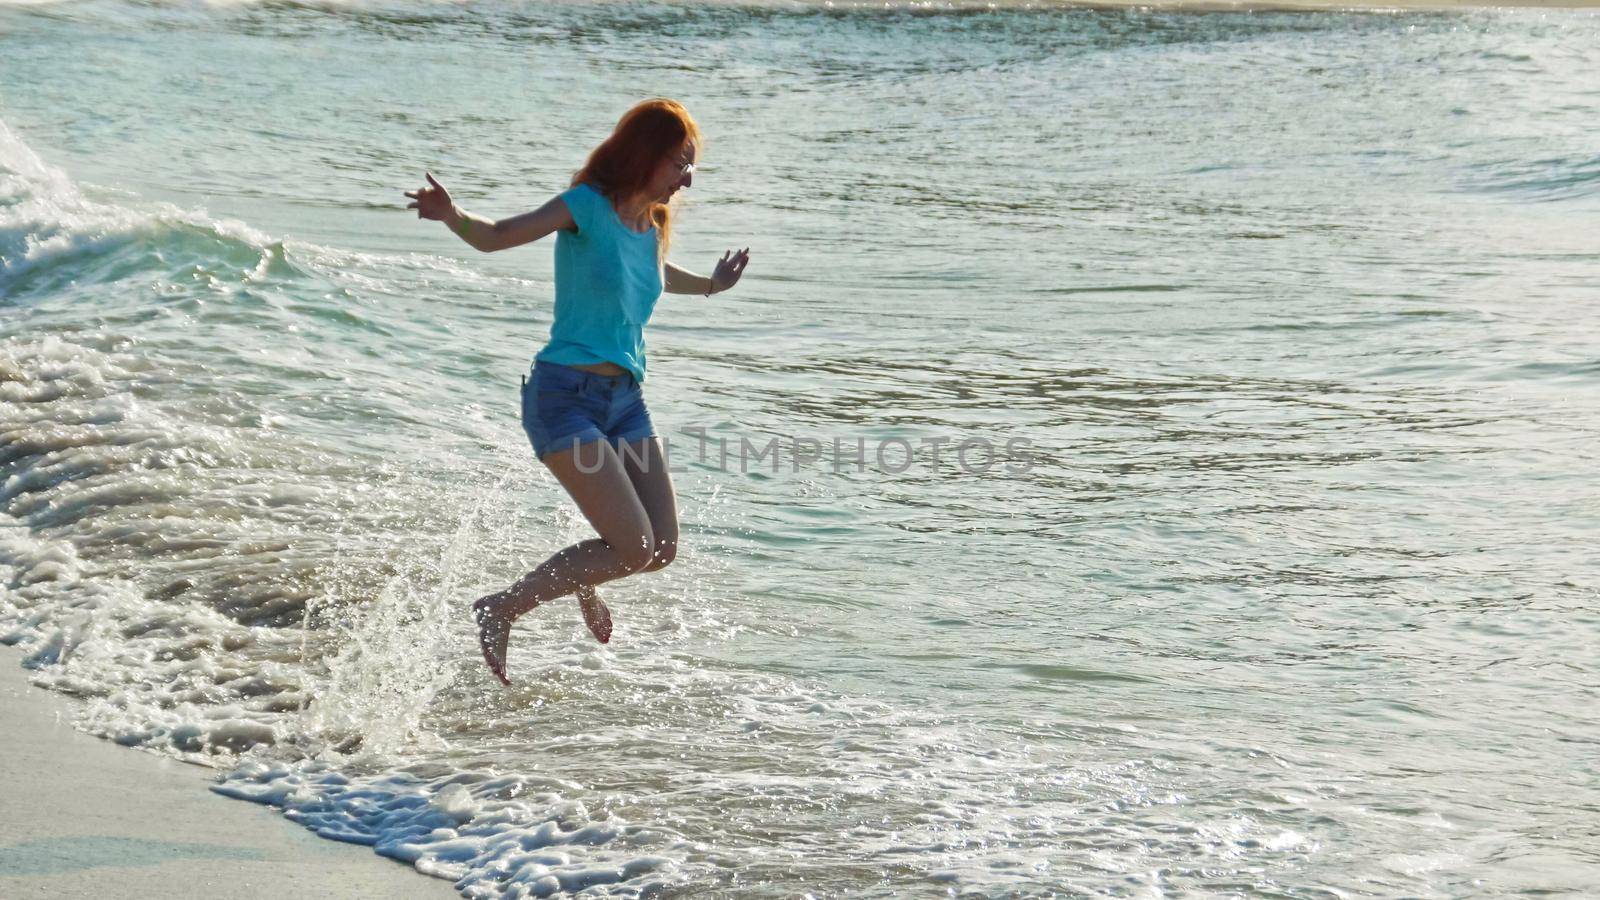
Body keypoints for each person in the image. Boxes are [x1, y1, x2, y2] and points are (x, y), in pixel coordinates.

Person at [404, 99, 751, 685]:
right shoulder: (584, 208)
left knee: (660, 548)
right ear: (644, 156)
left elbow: (655, 272)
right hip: (564, 398)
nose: (686, 178)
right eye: (678, 164)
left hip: (626, 402)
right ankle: (501, 607)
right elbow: (495, 237)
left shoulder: (654, 225)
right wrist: (452, 215)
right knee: (633, 548)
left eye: (691, 166)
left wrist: (713, 285)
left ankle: (582, 574)